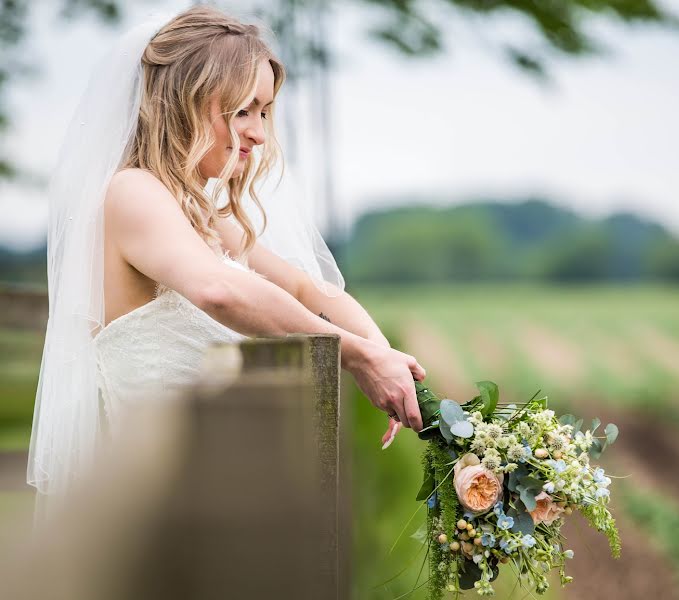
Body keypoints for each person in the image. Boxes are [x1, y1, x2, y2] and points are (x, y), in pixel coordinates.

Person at [28, 5, 421, 519]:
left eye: (264, 111)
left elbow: (307, 290)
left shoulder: (201, 218)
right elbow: (220, 291)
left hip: (225, 485)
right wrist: (357, 357)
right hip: (165, 497)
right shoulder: (132, 193)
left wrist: (383, 355)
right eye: (242, 110)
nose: (259, 133)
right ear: (182, 103)